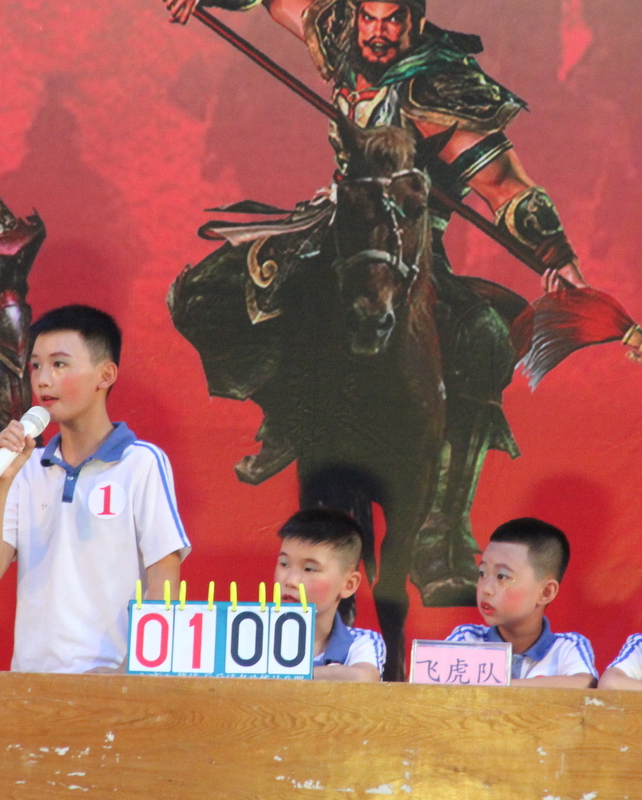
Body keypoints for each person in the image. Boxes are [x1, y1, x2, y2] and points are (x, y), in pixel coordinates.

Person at [163, 0, 588, 612]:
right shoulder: (342, 32)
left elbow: (505, 186)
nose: (378, 32)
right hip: (340, 220)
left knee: (484, 337)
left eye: (392, 20)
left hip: (409, 237)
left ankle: (441, 533)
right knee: (206, 293)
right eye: (369, 16)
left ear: (415, 20)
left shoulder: (439, 84)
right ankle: (286, 415)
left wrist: (556, 253)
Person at [0, 305, 191, 673]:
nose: (43, 380)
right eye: (36, 366)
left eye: (59, 364)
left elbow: (164, 579)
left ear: (105, 375)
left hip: (110, 681)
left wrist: (136, 673)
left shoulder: (141, 463)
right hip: (29, 681)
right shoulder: (26, 468)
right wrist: (1, 483)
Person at [446, 518, 596, 688]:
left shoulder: (567, 648)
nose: (486, 589)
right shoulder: (467, 639)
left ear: (545, 592)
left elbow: (584, 683)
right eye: (482, 573)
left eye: (502, 576)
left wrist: (502, 688)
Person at [275, 508, 385, 680]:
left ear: (348, 584)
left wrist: (275, 675)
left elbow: (363, 679)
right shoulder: (250, 633)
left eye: (309, 569)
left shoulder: (360, 642)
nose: (291, 581)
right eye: (284, 564)